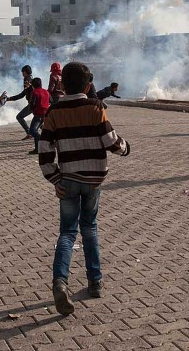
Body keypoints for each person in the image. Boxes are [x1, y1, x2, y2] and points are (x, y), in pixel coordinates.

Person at [39, 62, 130, 316]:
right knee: (89, 228)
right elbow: (111, 142)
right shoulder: (96, 107)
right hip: (93, 181)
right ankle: (95, 283)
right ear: (88, 85)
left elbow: (44, 152)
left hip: (67, 181)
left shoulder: (54, 112)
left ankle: (60, 282)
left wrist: (55, 179)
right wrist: (126, 147)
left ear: (63, 85)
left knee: (67, 233)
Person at [8, 65, 34, 141]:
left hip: (33, 104)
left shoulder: (27, 79)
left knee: (19, 117)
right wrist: (10, 98)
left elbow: (23, 93)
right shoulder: (31, 79)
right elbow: (23, 94)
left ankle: (29, 133)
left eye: (23, 72)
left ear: (25, 72)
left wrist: (9, 99)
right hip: (35, 103)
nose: (22, 74)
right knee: (39, 120)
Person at [27, 77, 50, 154]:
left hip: (38, 114)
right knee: (35, 130)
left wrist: (31, 109)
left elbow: (32, 103)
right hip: (46, 114)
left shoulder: (34, 92)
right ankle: (37, 149)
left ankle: (42, 140)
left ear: (33, 85)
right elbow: (51, 100)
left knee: (32, 131)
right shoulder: (46, 91)